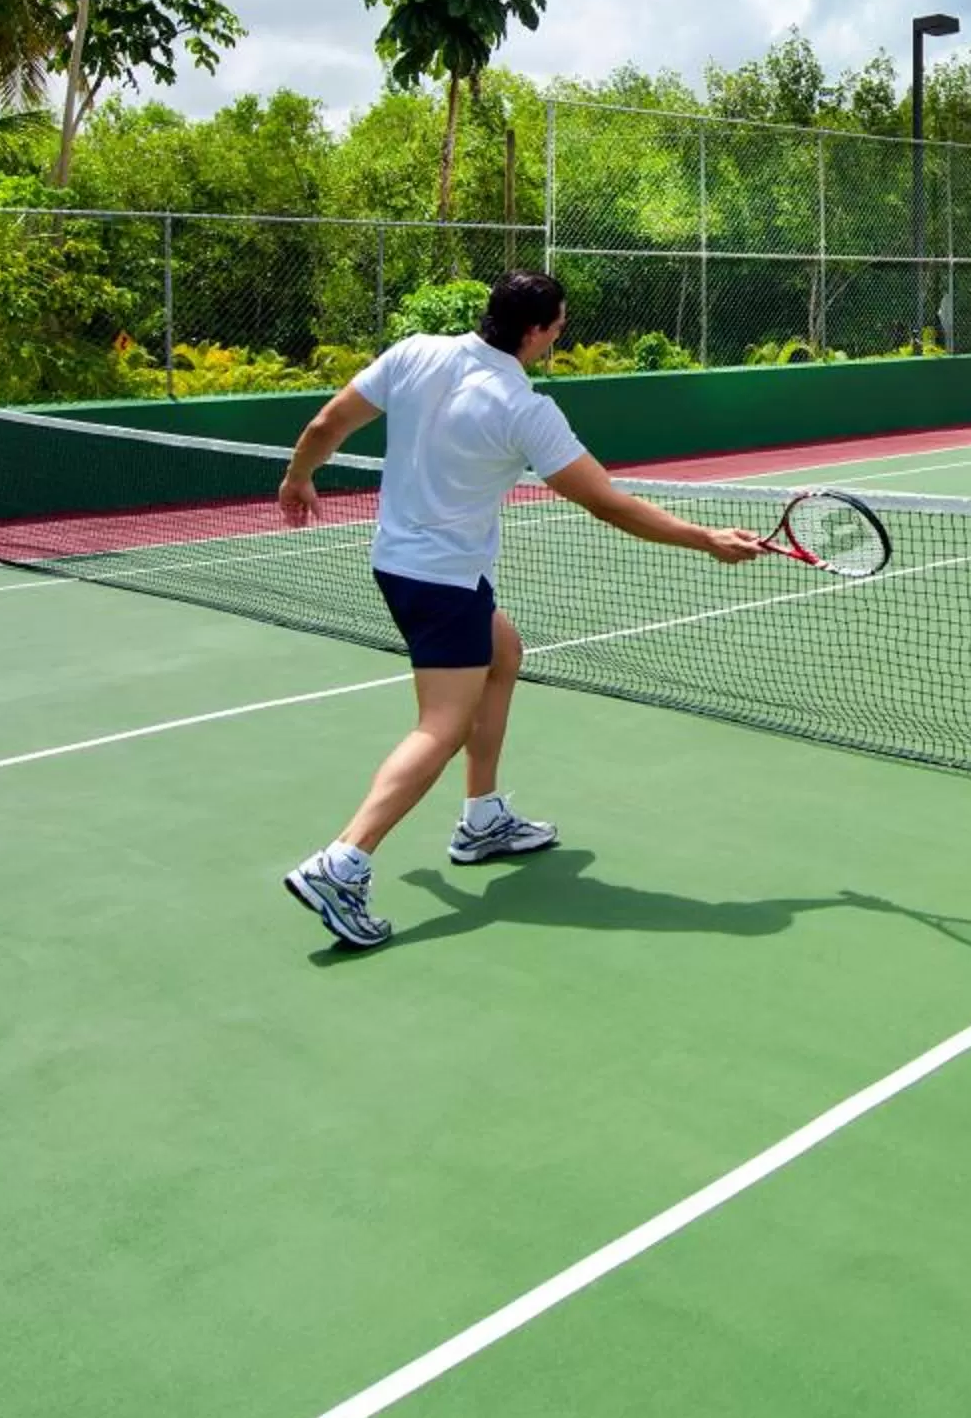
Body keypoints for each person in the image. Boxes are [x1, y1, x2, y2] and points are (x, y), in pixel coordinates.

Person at [272, 270, 764, 950]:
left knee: (504, 652)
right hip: (441, 581)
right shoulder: (523, 407)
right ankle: (344, 862)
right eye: (559, 324)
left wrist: (299, 475)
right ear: (535, 330)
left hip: (399, 562)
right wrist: (705, 538)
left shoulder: (415, 351)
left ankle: (482, 818)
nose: (562, 333)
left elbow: (329, 422)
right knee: (440, 725)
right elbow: (607, 502)